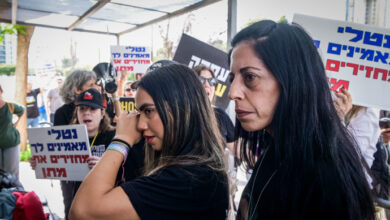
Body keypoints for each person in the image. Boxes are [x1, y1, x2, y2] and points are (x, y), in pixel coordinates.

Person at [228, 20, 375, 219]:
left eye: (250, 77)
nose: (233, 92)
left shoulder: (328, 178)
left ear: (292, 79)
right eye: (232, 78)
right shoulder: (276, 149)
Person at [70, 64, 229, 219]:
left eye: (149, 111)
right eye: (140, 113)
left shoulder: (189, 180)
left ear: (181, 108)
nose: (140, 124)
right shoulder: (197, 170)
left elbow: (82, 212)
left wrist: (122, 140)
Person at [54, 69, 100, 220]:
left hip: (96, 169)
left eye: (93, 110)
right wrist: (43, 161)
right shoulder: (62, 113)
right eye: (91, 84)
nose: (96, 87)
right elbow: (57, 146)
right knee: (72, 207)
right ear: (78, 89)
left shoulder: (102, 106)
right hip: (70, 175)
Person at [0, 84, 25, 179]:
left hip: (11, 143)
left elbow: (22, 110)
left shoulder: (10, 106)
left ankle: (14, 192)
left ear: (1, 92)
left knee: (12, 173)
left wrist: (16, 123)